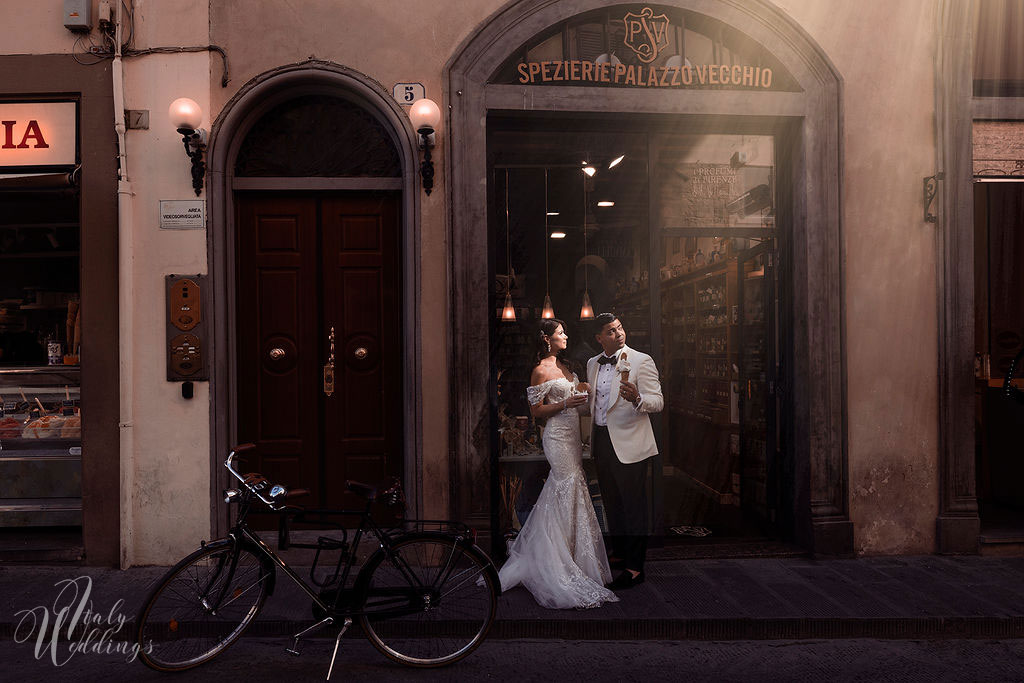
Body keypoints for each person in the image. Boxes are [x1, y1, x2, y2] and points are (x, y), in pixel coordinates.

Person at [498, 318, 619, 609]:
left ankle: (572, 555)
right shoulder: (540, 370)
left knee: (571, 490)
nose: (565, 336)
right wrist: (566, 403)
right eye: (561, 333)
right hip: (556, 437)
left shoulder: (568, 367)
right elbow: (537, 411)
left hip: (575, 436)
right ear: (547, 339)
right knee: (566, 488)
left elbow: (578, 396)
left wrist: (584, 389)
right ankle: (558, 559)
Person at [584, 312, 663, 590]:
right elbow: (593, 404)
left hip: (631, 444)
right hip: (602, 442)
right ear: (599, 338)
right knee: (612, 503)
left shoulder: (642, 360)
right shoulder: (592, 363)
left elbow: (658, 401)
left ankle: (635, 567)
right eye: (610, 331)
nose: (618, 334)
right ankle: (619, 552)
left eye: (619, 328)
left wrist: (638, 398)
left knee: (633, 507)